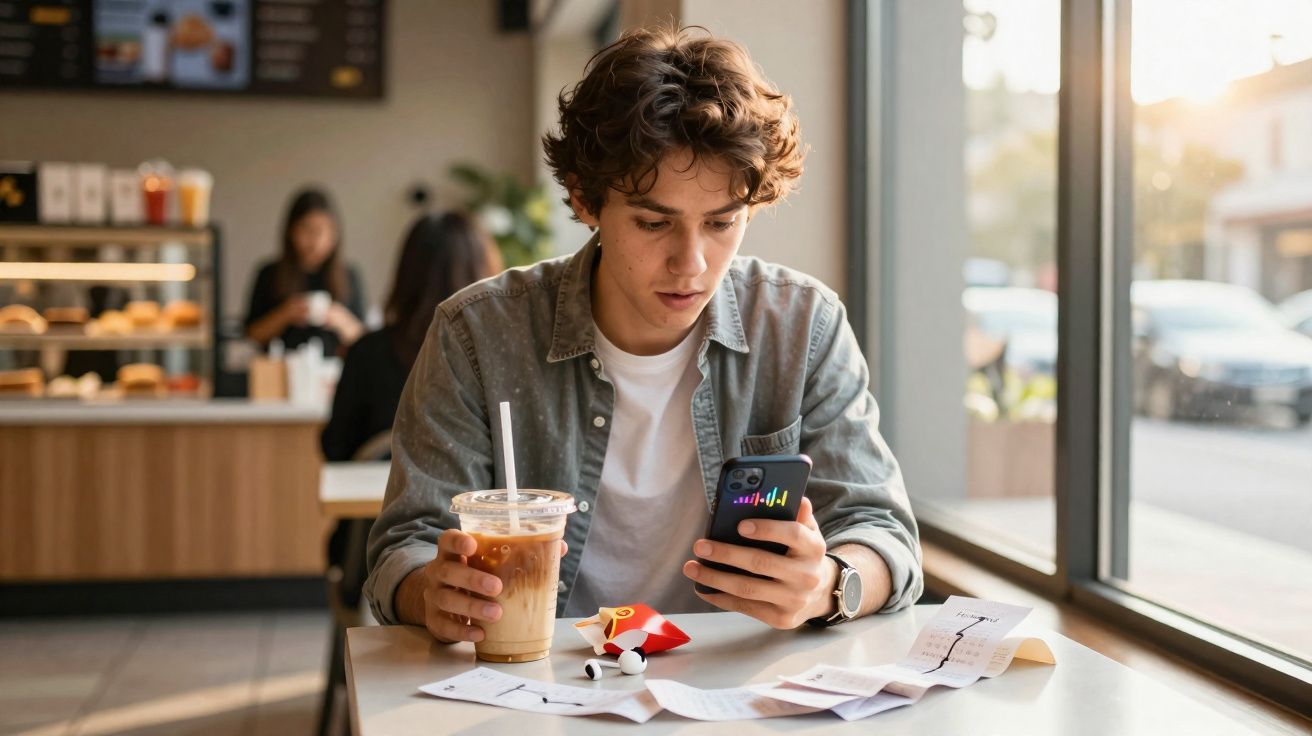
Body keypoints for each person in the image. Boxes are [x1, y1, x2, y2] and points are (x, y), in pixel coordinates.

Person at [365, 26, 921, 645]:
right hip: (541, 677)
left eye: (721, 223)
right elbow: (405, 545)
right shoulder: (479, 334)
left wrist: (829, 585)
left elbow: (882, 531)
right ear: (585, 201)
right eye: (655, 223)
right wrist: (431, 591)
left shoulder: (801, 327)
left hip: (734, 679)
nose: (692, 262)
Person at [321, 211, 502, 462]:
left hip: (378, 498)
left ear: (407, 273)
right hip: (474, 499)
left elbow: (334, 446)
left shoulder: (367, 352)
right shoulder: (497, 354)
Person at [244, 188, 366, 357]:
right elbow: (252, 334)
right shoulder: (269, 273)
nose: (316, 239)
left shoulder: (348, 275)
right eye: (307, 229)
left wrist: (340, 319)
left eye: (324, 230)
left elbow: (364, 339)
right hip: (279, 371)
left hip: (334, 373)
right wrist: (285, 314)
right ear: (291, 231)